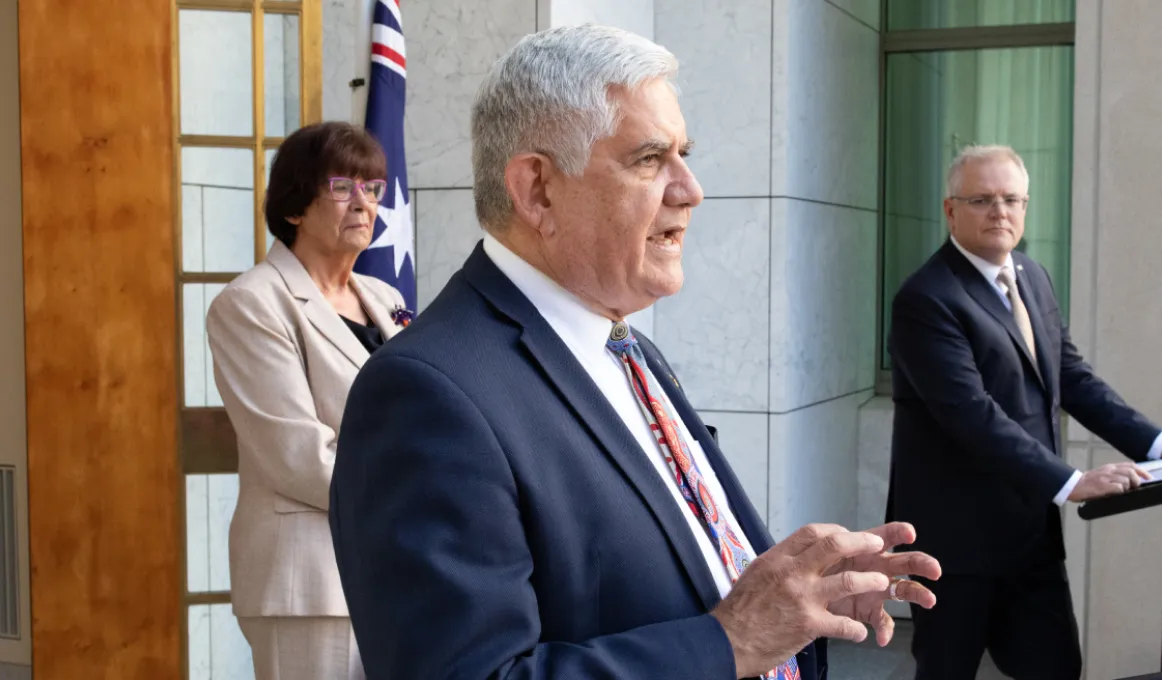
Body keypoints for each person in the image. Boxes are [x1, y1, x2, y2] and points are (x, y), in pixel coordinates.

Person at [331, 24, 941, 680]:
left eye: (684, 154)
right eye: (650, 159)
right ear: (537, 190)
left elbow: (677, 574)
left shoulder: (628, 346)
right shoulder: (425, 394)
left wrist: (805, 603)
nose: (691, 189)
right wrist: (731, 642)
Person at [887, 144, 1162, 680]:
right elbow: (971, 414)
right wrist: (1072, 480)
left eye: (1012, 199)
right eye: (982, 199)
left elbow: (1072, 379)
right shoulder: (926, 299)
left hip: (1029, 536)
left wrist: (1156, 447)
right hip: (956, 547)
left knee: (1057, 667)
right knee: (947, 672)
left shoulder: (1031, 277)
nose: (1000, 212)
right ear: (950, 210)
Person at [206, 121, 411, 680]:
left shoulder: (385, 297)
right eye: (343, 187)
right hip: (311, 583)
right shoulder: (251, 303)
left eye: (373, 188)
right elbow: (298, 454)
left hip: (395, 569)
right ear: (295, 206)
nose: (364, 204)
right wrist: (418, 497)